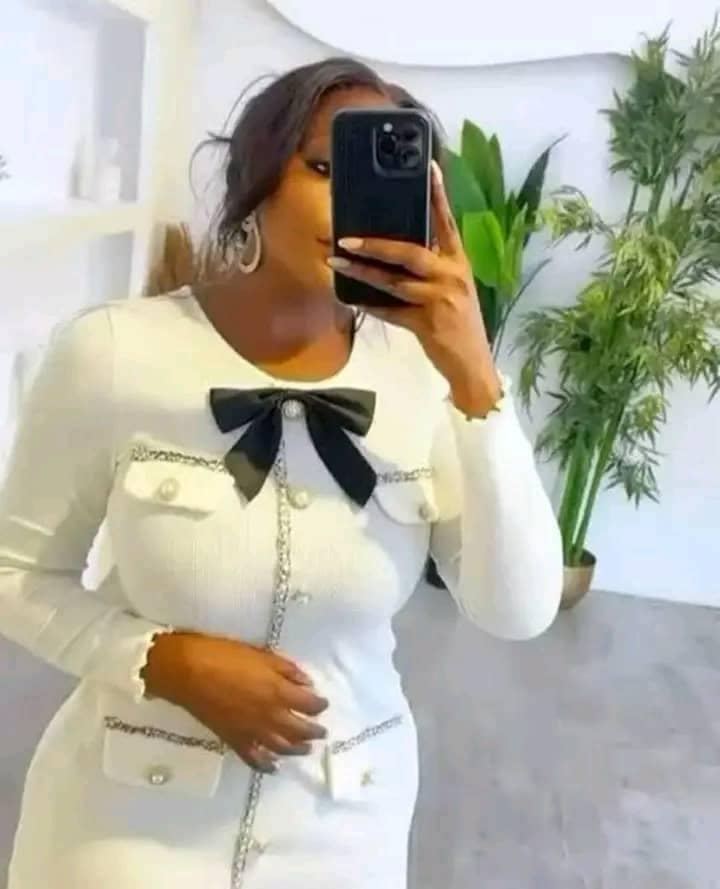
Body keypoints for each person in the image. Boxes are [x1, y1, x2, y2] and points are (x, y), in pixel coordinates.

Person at [0, 58, 562, 889]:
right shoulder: (114, 351)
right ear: (256, 175)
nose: (348, 200)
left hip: (344, 827)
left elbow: (516, 610)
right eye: (324, 167)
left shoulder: (428, 379)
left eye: (379, 176)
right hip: (125, 822)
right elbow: (15, 573)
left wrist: (476, 378)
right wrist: (164, 660)